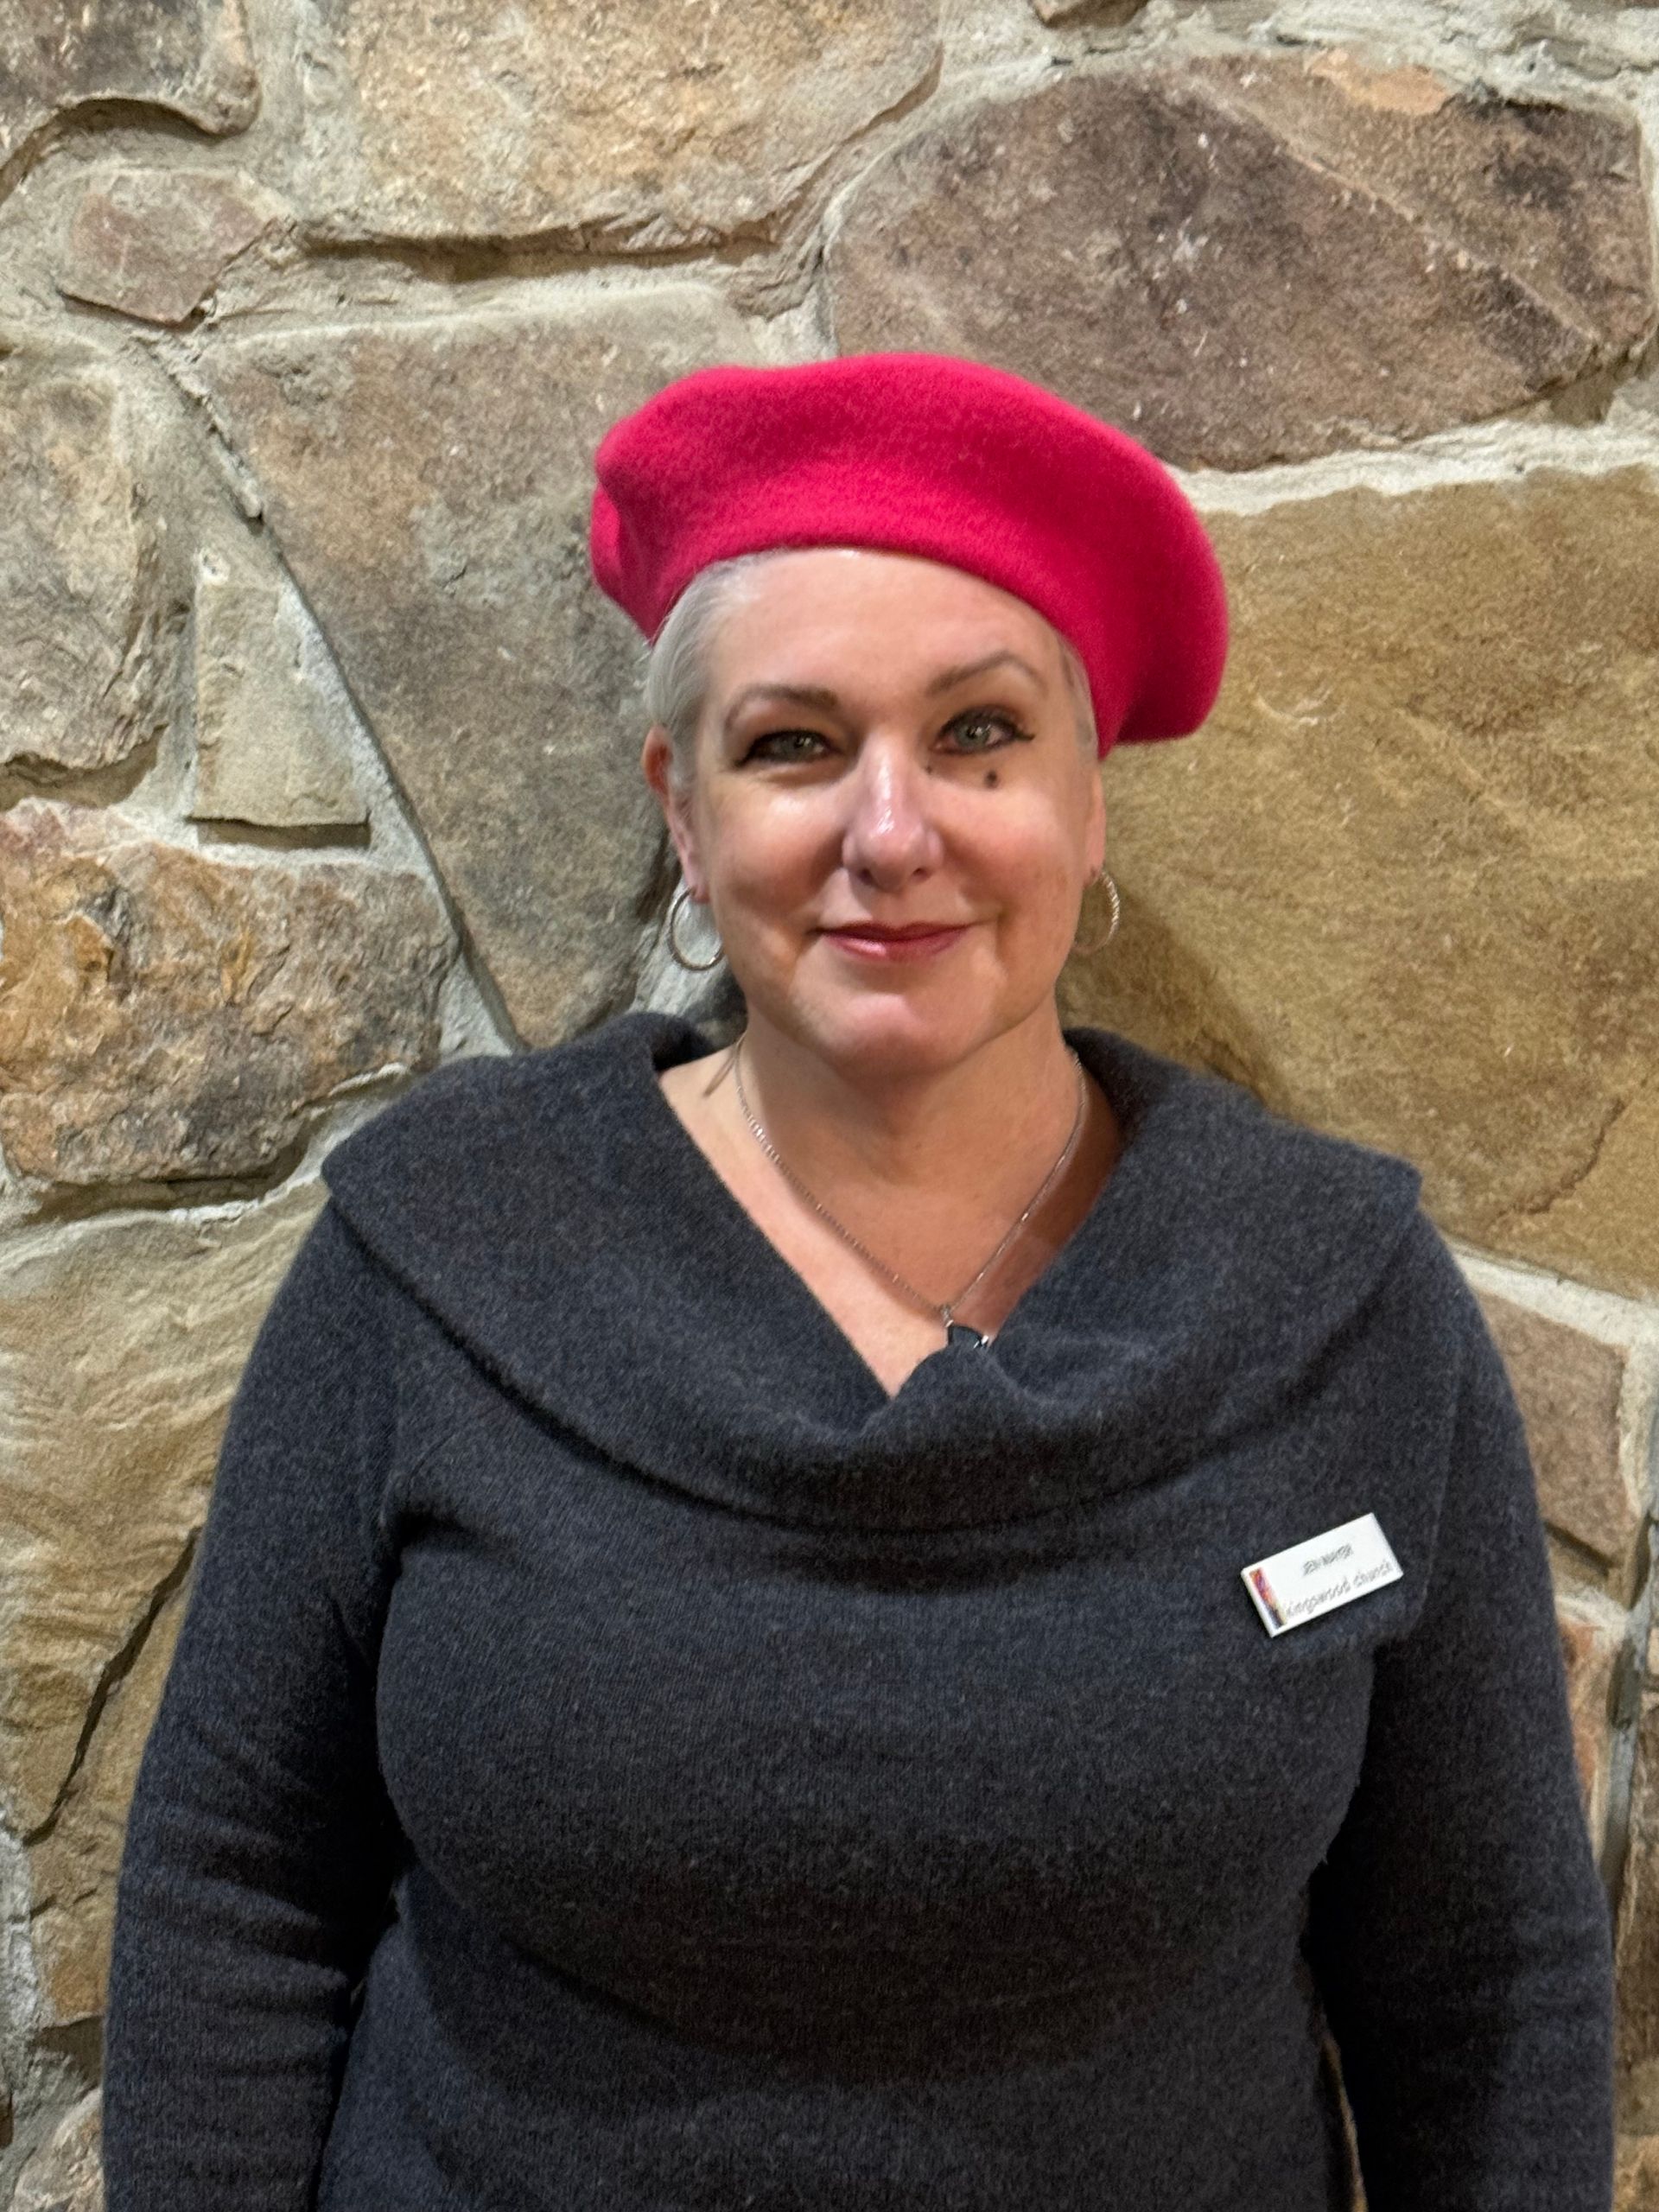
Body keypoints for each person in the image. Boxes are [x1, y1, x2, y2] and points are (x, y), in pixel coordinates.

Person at [100, 351, 1615, 2210]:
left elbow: (1489, 1984)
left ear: (1093, 796)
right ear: (682, 807)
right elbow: (233, 1890)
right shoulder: (438, 1254)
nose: (890, 833)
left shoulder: (1338, 1295)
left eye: (980, 733)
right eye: (793, 743)